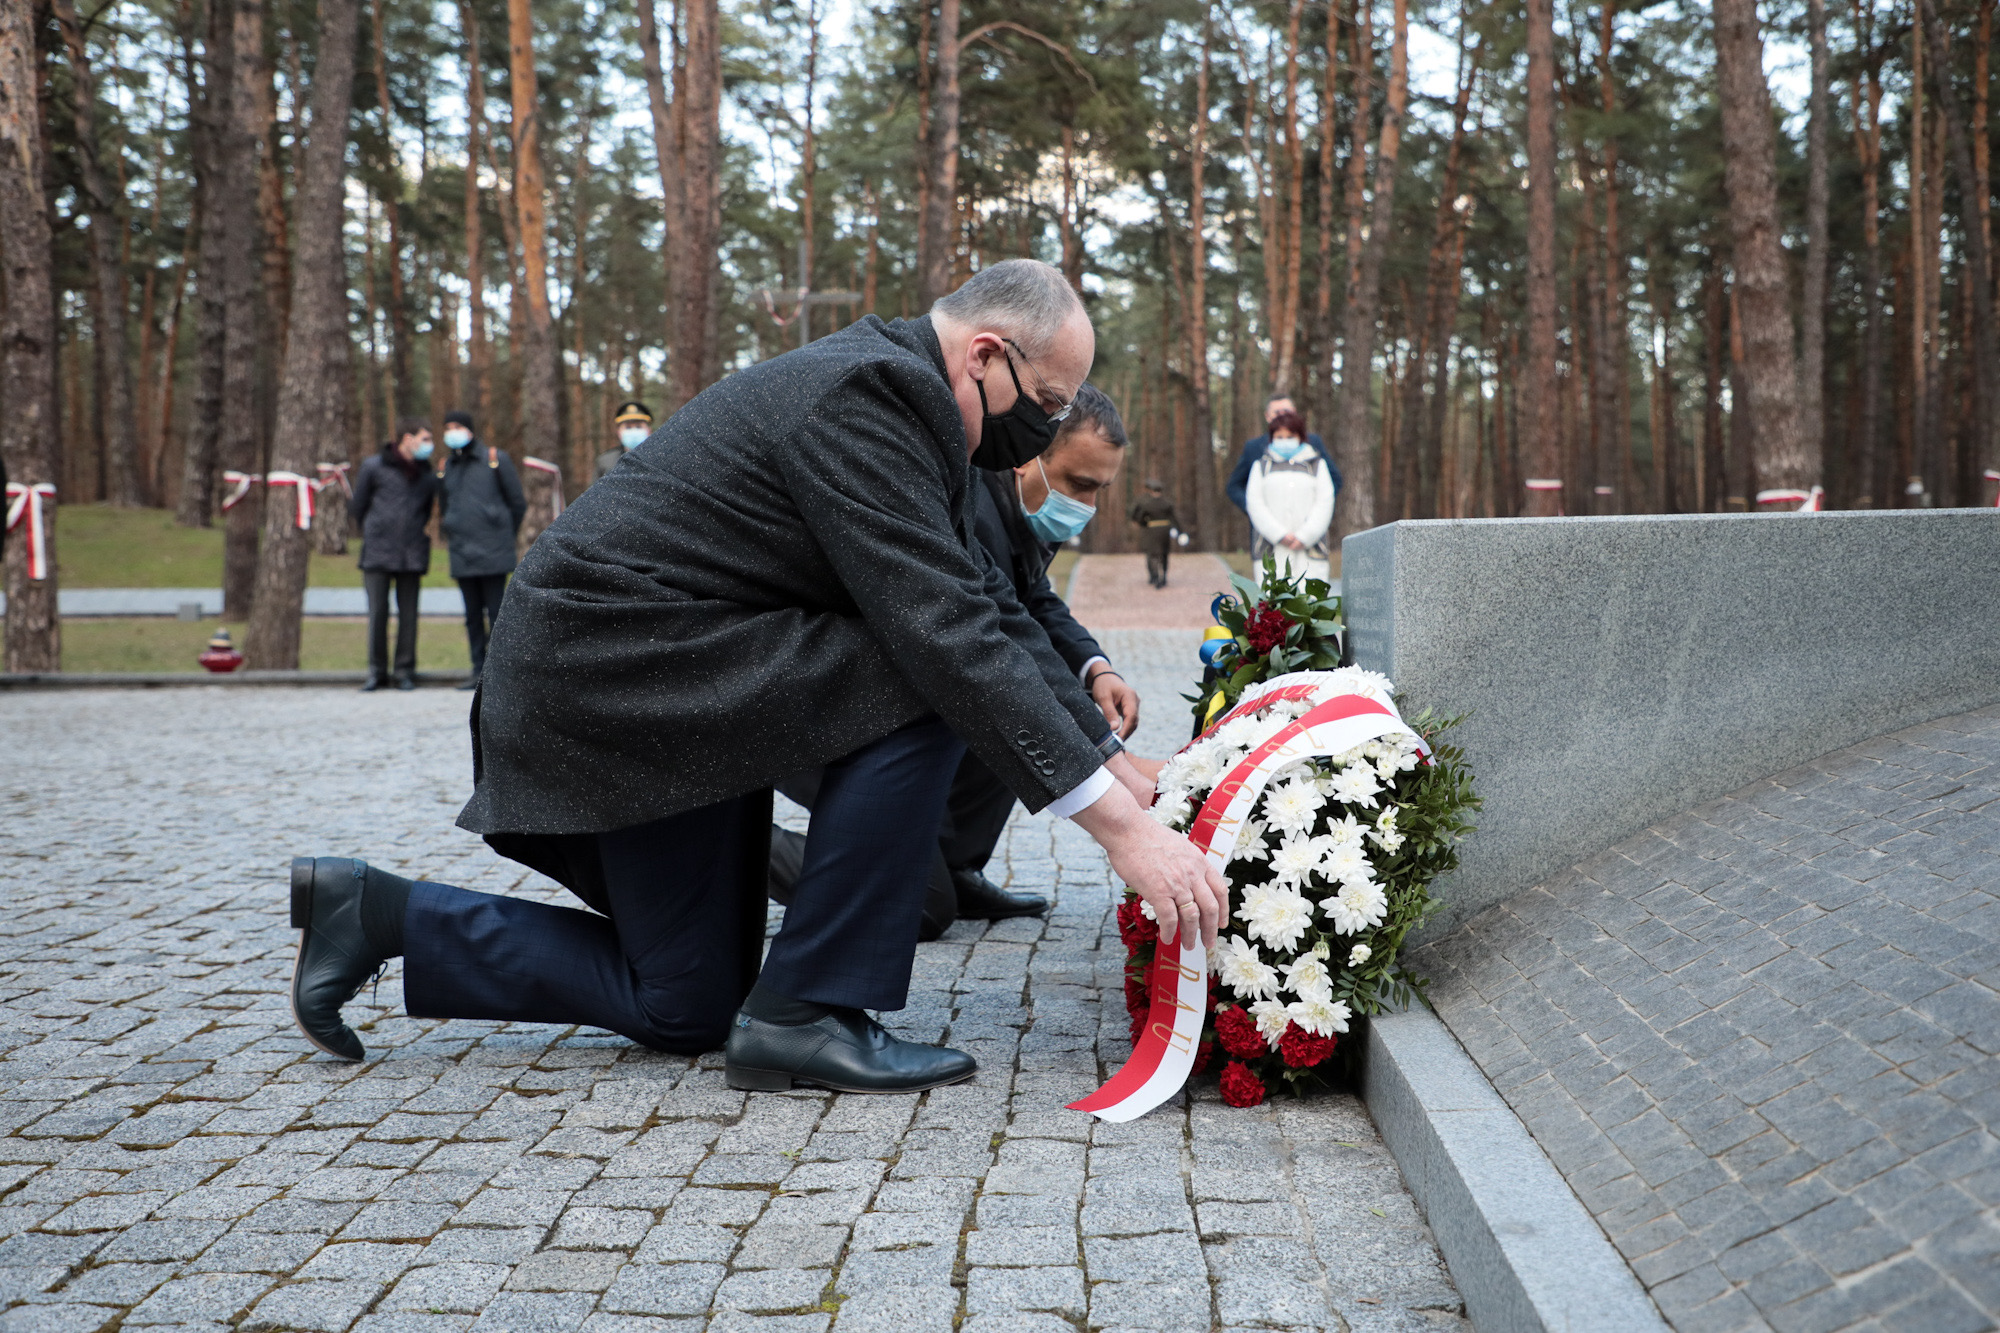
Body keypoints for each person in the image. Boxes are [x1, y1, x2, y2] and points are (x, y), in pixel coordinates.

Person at [285, 259, 1224, 1096]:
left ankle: (375, 911)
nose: (1046, 428)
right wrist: (1121, 831)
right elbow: (951, 633)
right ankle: (811, 1008)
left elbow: (984, 595)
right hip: (607, 679)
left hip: (681, 689)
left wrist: (1118, 767)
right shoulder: (874, 393)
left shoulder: (923, 412)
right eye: (1048, 402)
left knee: (687, 1002)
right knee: (923, 671)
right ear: (986, 353)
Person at [767, 382, 1138, 936]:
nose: (1086, 506)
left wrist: (1095, 667)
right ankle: (737, 845)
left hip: (900, 699)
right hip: (821, 710)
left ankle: (954, 865)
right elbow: (994, 637)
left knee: (1021, 710)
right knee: (921, 904)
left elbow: (1033, 599)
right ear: (1027, 459)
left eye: (1099, 490)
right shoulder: (968, 507)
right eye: (1079, 484)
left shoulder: (1021, 504)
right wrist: (1110, 770)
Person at [438, 410, 527, 691]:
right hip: (461, 552)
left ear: (470, 429)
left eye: (457, 426)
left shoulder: (494, 459)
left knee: (497, 614)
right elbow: (445, 505)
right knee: (472, 616)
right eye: (447, 427)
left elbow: (517, 503)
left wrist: (501, 533)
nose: (452, 432)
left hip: (493, 551)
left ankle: (500, 672)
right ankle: (477, 670)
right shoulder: (446, 466)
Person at [349, 418, 439, 692]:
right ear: (407, 439)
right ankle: (376, 672)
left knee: (409, 615)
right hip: (378, 552)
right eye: (424, 439)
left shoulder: (426, 474)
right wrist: (375, 531)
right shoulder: (374, 467)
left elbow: (426, 510)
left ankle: (404, 671)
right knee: (378, 613)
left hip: (412, 552)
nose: (429, 445)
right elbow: (358, 506)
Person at [1226, 395, 1341, 564]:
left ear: (1294, 412)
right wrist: (1256, 510)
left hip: (1309, 536)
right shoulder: (1254, 448)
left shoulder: (1313, 443)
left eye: (1286, 411)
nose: (1282, 416)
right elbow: (1234, 486)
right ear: (1267, 416)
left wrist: (1315, 511)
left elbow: (1334, 481)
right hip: (1267, 539)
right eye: (1277, 412)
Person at [1243, 409, 1337, 583]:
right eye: (1279, 436)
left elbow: (1325, 502)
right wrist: (1280, 535)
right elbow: (1255, 504)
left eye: (1290, 436)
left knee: (1310, 597)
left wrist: (1305, 536)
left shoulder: (1317, 465)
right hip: (1271, 549)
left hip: (1310, 550)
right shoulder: (1261, 466)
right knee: (1273, 598)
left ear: (1300, 436)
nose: (1285, 441)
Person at [1129, 479, 1182, 588]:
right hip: (1165, 531)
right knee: (1164, 554)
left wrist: (1144, 524)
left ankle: (1155, 577)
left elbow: (1140, 518)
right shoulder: (1167, 503)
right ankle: (1164, 577)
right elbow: (1174, 519)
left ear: (1151, 491)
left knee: (1153, 554)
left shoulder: (1147, 504)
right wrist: (1180, 531)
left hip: (1152, 531)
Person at [596, 401, 654, 484]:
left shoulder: (661, 459)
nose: (634, 431)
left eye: (638, 426)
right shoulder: (606, 462)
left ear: (649, 430)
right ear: (619, 432)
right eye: (628, 427)